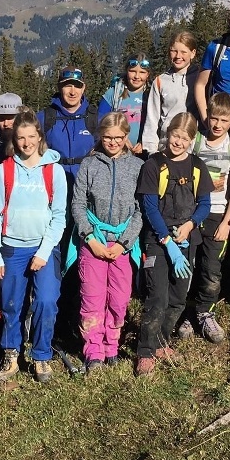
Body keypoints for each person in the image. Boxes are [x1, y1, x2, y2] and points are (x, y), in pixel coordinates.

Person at [0, 109, 68, 384]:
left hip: (44, 248)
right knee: (11, 304)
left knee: (46, 299)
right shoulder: (3, 170)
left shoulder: (54, 171)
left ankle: (41, 355)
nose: (26, 143)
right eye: (20, 137)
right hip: (10, 248)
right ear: (14, 139)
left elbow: (59, 217)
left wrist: (44, 253)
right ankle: (11, 352)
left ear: (40, 137)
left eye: (31, 136)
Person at [134, 112, 212, 375]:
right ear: (168, 133)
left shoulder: (197, 166)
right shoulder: (153, 165)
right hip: (158, 240)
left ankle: (161, 342)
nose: (178, 142)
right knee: (157, 297)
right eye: (175, 135)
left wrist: (190, 225)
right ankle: (145, 351)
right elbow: (150, 207)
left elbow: (205, 204)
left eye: (184, 137)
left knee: (178, 297)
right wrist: (166, 241)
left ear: (192, 139)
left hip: (187, 240)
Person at [70, 112, 144, 371]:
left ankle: (112, 345)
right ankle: (93, 351)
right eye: (107, 137)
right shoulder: (89, 165)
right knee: (92, 297)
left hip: (122, 244)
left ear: (126, 137)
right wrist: (90, 238)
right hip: (94, 241)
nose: (112, 142)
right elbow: (78, 204)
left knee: (119, 298)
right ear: (100, 136)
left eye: (118, 138)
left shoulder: (137, 167)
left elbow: (140, 210)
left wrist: (124, 243)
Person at [177, 91, 230, 344]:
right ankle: (184, 312)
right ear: (207, 116)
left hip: (218, 214)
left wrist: (227, 221)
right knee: (187, 265)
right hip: (191, 212)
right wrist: (204, 181)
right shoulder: (197, 141)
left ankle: (205, 312)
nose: (217, 125)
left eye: (224, 121)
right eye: (214, 118)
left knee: (211, 268)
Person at [141, 31, 199, 153]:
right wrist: (151, 150)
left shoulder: (200, 80)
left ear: (193, 53)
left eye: (183, 52)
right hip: (166, 146)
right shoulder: (160, 81)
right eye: (174, 51)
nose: (178, 56)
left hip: (194, 148)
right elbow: (152, 118)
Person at [98, 53, 152, 154]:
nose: (137, 76)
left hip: (144, 152)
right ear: (126, 71)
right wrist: (122, 140)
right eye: (132, 71)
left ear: (148, 74)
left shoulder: (152, 95)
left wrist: (145, 142)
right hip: (117, 150)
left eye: (142, 72)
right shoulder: (113, 93)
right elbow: (101, 122)